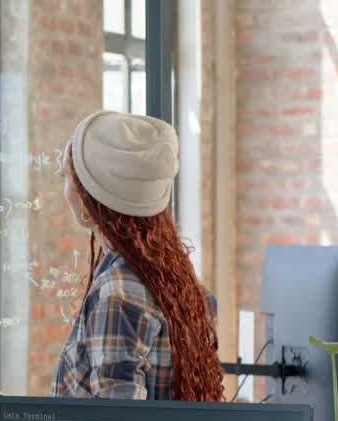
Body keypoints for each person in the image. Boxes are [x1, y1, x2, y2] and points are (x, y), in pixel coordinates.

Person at [50, 110, 224, 402]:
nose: (64, 189)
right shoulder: (173, 280)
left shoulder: (118, 294)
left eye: (66, 177)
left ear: (89, 195)